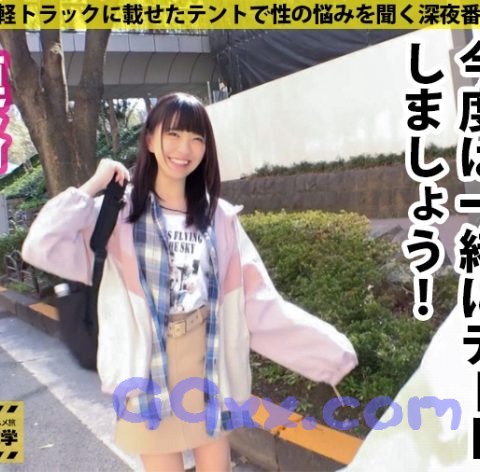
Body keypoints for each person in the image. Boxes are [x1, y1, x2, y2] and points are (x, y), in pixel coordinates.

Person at [22, 92, 358, 472]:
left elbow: (258, 302)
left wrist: (328, 352)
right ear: (150, 139)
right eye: (174, 134)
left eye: (197, 138)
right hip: (146, 369)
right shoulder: (118, 214)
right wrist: (95, 184)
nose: (185, 149)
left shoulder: (220, 218)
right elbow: (40, 245)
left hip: (207, 361)